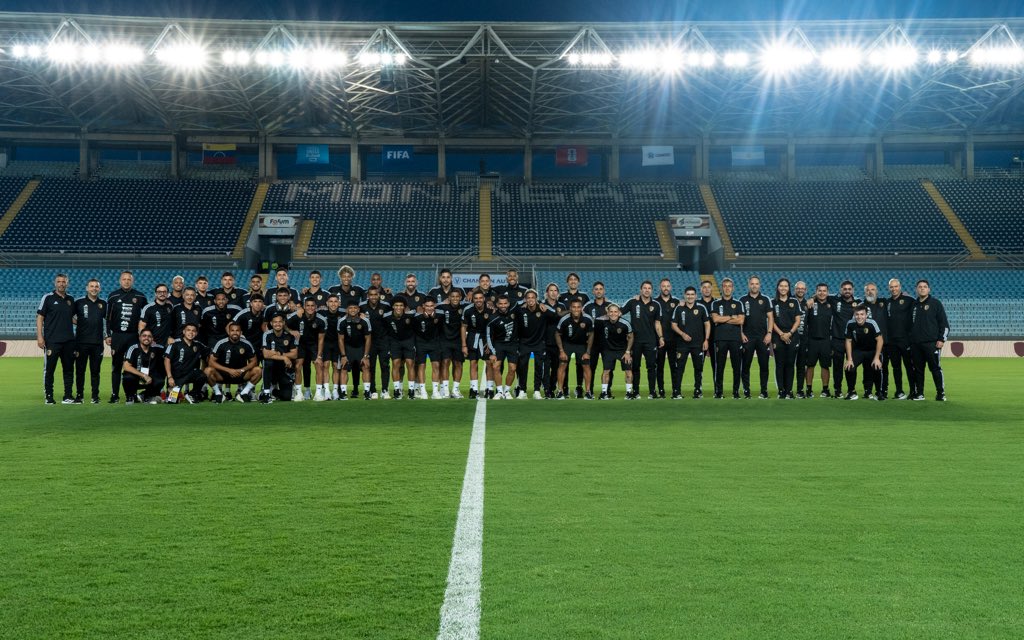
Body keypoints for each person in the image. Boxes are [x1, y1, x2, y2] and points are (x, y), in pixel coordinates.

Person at [106, 270, 148, 404]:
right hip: (117, 336)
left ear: (132, 281)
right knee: (116, 366)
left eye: (129, 279)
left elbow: (145, 317)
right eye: (124, 279)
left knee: (134, 366)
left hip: (133, 337)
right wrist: (108, 334)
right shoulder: (113, 296)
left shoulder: (140, 296)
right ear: (120, 281)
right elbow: (108, 318)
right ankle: (114, 395)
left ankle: (132, 394)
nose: (126, 281)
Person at [621, 281, 665, 399]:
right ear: (640, 290)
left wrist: (660, 337)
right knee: (635, 367)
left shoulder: (656, 305)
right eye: (644, 288)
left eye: (649, 288)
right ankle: (636, 392)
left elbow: (657, 323)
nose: (647, 290)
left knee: (651, 367)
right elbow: (618, 313)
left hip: (650, 341)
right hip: (635, 341)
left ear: (652, 290)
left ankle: (652, 392)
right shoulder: (632, 302)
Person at [37, 273, 77, 404]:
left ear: (67, 283)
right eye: (59, 281)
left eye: (64, 282)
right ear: (55, 283)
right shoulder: (47, 298)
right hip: (52, 341)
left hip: (69, 341)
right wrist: (39, 336)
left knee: (69, 369)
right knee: (49, 370)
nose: (61, 284)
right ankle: (49, 396)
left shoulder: (71, 299)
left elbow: (72, 318)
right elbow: (40, 317)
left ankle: (68, 396)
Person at [514, 289, 558, 399]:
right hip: (524, 343)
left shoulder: (542, 310)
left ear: (536, 299)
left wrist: (546, 308)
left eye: (532, 297)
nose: (530, 300)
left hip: (539, 343)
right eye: (528, 298)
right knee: (522, 367)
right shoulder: (520, 310)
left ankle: (536, 390)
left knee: (539, 367)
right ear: (525, 299)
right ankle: (522, 390)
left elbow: (556, 316)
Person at [910, 280, 949, 402]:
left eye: (925, 287)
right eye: (920, 287)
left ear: (929, 289)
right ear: (916, 289)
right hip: (916, 344)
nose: (922, 289)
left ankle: (940, 393)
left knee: (935, 368)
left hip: (931, 344)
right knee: (918, 370)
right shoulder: (913, 305)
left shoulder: (936, 303)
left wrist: (941, 339)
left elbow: (944, 324)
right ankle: (920, 393)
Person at [671, 286, 711, 399]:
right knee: (679, 369)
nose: (690, 296)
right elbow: (673, 325)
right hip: (682, 345)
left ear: (696, 296)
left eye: (692, 294)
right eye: (688, 294)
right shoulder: (679, 308)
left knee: (698, 368)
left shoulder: (701, 308)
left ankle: (698, 391)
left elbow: (707, 324)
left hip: (698, 344)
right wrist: (682, 334)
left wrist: (706, 340)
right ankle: (677, 392)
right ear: (684, 295)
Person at [206, 322, 261, 403]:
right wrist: (228, 370)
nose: (235, 333)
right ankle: (218, 394)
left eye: (237, 330)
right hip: (223, 375)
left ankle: (243, 393)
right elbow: (211, 362)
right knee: (207, 371)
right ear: (229, 332)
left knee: (258, 370)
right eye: (232, 330)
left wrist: (242, 370)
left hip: (241, 374)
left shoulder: (246, 344)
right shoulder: (221, 343)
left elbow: (254, 361)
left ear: (241, 332)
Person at [740, 275, 774, 399]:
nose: (754, 286)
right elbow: (739, 320)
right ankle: (746, 391)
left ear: (760, 285)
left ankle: (764, 391)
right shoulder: (742, 300)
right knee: (746, 366)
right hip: (747, 338)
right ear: (749, 285)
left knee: (764, 365)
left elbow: (770, 317)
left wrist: (769, 333)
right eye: (752, 284)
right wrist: (741, 333)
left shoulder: (765, 299)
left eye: (756, 284)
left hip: (762, 338)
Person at [710, 278, 744, 399]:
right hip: (720, 339)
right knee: (720, 367)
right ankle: (719, 392)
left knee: (736, 367)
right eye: (725, 286)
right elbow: (715, 319)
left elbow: (741, 320)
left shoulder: (738, 303)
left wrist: (723, 318)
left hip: (735, 339)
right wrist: (731, 316)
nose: (727, 288)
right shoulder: (716, 303)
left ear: (733, 288)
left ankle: (736, 392)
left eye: (730, 286)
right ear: (722, 288)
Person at [287, 298, 326, 401]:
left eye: (312, 306)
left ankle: (318, 393)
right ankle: (299, 393)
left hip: (314, 345)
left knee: (318, 365)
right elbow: (284, 324)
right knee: (298, 366)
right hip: (300, 344)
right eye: (308, 305)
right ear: (304, 307)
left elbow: (321, 339)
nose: (310, 308)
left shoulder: (321, 320)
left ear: (316, 307)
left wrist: (319, 356)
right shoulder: (298, 316)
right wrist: (291, 331)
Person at [74, 278, 106, 404]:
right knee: (80, 371)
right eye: (91, 286)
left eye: (96, 287)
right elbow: (69, 316)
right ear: (87, 288)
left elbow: (108, 321)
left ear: (99, 289)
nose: (94, 289)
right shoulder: (79, 302)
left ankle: (95, 396)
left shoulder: (103, 304)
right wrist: (80, 323)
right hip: (81, 343)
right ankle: (79, 395)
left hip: (97, 343)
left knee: (95, 371)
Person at [555, 299, 594, 399]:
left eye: (578, 307)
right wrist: (561, 351)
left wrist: (588, 352)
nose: (576, 309)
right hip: (567, 344)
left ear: (581, 308)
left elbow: (591, 335)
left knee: (586, 366)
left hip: (581, 345)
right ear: (570, 308)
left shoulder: (588, 319)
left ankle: (588, 392)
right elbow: (557, 334)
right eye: (574, 307)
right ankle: (559, 391)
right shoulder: (564, 319)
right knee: (562, 364)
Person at [771, 278, 803, 399]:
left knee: (790, 364)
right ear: (778, 288)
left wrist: (789, 333)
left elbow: (798, 320)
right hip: (778, 337)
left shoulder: (794, 302)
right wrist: (781, 334)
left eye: (786, 286)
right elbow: (771, 320)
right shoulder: (773, 302)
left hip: (792, 337)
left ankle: (789, 391)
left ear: (789, 288)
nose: (783, 288)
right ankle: (781, 391)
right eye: (781, 286)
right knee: (779, 364)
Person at [844, 306, 884, 401]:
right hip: (858, 350)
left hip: (872, 351)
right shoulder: (850, 324)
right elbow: (848, 341)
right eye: (857, 314)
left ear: (866, 315)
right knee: (849, 367)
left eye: (862, 314)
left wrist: (877, 358)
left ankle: (878, 393)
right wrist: (849, 359)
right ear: (854, 315)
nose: (859, 317)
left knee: (876, 367)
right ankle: (852, 392)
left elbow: (880, 340)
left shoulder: (872, 323)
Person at [885, 278, 916, 400]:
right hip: (892, 341)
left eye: (896, 286)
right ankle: (899, 391)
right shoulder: (887, 303)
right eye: (891, 287)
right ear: (889, 288)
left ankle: (913, 391)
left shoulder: (909, 300)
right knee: (896, 367)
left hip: (906, 340)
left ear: (900, 287)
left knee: (909, 367)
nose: (894, 289)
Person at [829, 280, 861, 399]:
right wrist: (812, 298)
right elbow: (820, 294)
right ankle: (837, 390)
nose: (847, 291)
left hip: (852, 341)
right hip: (837, 339)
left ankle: (851, 390)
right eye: (845, 289)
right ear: (841, 290)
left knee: (851, 366)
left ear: (853, 290)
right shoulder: (834, 300)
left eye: (849, 289)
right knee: (837, 367)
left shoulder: (858, 302)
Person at [803, 283, 835, 397]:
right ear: (816, 292)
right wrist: (812, 298)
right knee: (810, 365)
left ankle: (825, 389)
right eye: (819, 291)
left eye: (824, 291)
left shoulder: (832, 303)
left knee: (825, 366)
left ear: (827, 292)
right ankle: (809, 389)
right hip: (811, 340)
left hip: (826, 340)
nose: (822, 293)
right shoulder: (810, 304)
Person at [596, 304, 634, 400]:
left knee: (628, 371)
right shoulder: (601, 322)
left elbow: (631, 337)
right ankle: (604, 393)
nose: (613, 314)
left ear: (619, 313)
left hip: (622, 351)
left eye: (615, 312)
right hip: (608, 350)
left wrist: (628, 352)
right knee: (606, 371)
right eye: (611, 311)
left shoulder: (625, 323)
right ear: (608, 313)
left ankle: (629, 393)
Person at [486, 295, 521, 399]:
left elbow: (519, 301)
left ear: (508, 304)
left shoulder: (514, 312)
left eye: (505, 303)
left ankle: (507, 391)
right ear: (497, 305)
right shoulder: (493, 318)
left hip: (512, 344)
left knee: (512, 368)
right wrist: (492, 352)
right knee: (496, 367)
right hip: (499, 344)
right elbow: (488, 335)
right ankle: (500, 392)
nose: (503, 306)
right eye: (500, 304)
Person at [164, 323, 209, 404]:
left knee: (202, 375)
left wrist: (204, 367)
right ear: (184, 332)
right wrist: (170, 377)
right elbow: (167, 360)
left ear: (196, 333)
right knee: (172, 401)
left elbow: (211, 354)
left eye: (193, 331)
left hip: (190, 374)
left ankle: (192, 394)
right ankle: (173, 394)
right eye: (188, 330)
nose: (191, 333)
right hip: (176, 377)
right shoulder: (174, 343)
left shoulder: (198, 345)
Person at [360, 286, 393, 398]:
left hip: (384, 341)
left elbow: (390, 323)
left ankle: (384, 390)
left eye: (376, 294)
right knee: (371, 366)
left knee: (385, 366)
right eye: (371, 295)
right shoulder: (362, 307)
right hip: (370, 342)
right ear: (368, 296)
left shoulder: (386, 306)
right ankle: (373, 391)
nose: (373, 297)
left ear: (379, 295)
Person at [338, 300, 373, 400]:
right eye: (350, 308)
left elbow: (368, 339)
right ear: (347, 310)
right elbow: (340, 339)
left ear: (358, 309)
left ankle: (367, 392)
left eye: (355, 308)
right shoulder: (342, 321)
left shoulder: (365, 321)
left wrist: (365, 356)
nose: (353, 310)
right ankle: (343, 393)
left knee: (366, 367)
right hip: (348, 348)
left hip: (361, 348)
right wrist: (343, 356)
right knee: (344, 368)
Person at [461, 289, 493, 399]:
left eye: (480, 298)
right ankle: (473, 389)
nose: (478, 300)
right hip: (472, 337)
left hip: (486, 338)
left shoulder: (490, 310)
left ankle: (489, 389)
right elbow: (463, 327)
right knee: (473, 363)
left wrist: (490, 344)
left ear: (484, 299)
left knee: (489, 363)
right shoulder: (468, 310)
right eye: (476, 298)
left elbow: (493, 328)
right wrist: (464, 345)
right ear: (472, 299)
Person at [583, 281, 614, 396]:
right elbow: (583, 322)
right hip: (592, 342)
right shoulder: (588, 306)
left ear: (604, 291)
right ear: (593, 291)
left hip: (607, 343)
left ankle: (607, 391)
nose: (598, 291)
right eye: (596, 289)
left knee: (609, 368)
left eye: (601, 289)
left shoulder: (610, 306)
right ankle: (589, 390)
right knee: (591, 367)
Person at [260, 313, 298, 403]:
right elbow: (265, 354)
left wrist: (279, 353)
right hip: (271, 369)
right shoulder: (267, 334)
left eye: (280, 322)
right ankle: (266, 393)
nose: (278, 324)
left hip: (283, 369)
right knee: (268, 362)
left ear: (284, 323)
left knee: (287, 397)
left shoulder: (289, 336)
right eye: (275, 322)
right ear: (271, 323)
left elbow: (294, 354)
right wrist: (284, 358)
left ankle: (273, 392)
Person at [437, 288, 467, 399]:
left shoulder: (464, 308)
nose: (455, 298)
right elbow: (428, 305)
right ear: (449, 298)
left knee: (458, 364)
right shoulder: (441, 307)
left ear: (460, 298)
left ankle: (455, 390)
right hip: (445, 340)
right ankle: (445, 389)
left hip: (458, 341)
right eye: (452, 296)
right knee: (445, 363)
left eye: (457, 297)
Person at [121, 328, 165, 404]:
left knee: (160, 381)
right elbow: (126, 366)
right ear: (139, 337)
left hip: (150, 377)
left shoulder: (157, 348)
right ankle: (130, 396)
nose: (146, 338)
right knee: (127, 377)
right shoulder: (133, 348)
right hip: (136, 376)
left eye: (149, 336)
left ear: (152, 339)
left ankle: (145, 396)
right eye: (144, 336)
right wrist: (143, 375)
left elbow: (169, 354)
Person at [862, 283, 889, 399]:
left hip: (883, 343)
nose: (870, 292)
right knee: (867, 368)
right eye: (868, 290)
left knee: (882, 368)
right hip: (866, 344)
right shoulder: (861, 306)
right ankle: (868, 390)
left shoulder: (884, 303)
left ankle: (882, 390)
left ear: (877, 291)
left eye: (872, 289)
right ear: (865, 292)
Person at [654, 278, 680, 399]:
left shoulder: (677, 302)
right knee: (659, 367)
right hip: (659, 340)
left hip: (674, 340)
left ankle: (675, 390)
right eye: (663, 286)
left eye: (668, 286)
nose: (665, 288)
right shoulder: (654, 302)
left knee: (674, 367)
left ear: (671, 287)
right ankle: (661, 390)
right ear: (660, 287)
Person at [415, 298, 445, 399]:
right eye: (427, 306)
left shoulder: (440, 316)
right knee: (421, 366)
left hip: (434, 344)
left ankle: (435, 392)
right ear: (423, 306)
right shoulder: (417, 317)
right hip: (421, 344)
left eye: (431, 306)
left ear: (434, 306)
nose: (429, 308)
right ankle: (423, 391)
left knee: (436, 366)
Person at [541, 284, 566, 399]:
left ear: (558, 293)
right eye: (551, 290)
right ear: (547, 292)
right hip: (544, 341)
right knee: (545, 368)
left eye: (555, 290)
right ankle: (546, 390)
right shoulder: (541, 305)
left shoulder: (562, 305)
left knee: (557, 368)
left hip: (558, 343)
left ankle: (552, 388)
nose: (553, 292)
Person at [320, 294, 345, 399]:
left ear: (339, 303)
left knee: (336, 367)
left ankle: (335, 391)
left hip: (338, 344)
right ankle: (326, 391)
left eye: (335, 301)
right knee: (325, 366)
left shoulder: (343, 313)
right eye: (331, 301)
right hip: (325, 343)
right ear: (327, 303)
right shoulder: (321, 313)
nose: (333, 304)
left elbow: (355, 312)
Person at [792, 281, 810, 398]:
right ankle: (785, 389)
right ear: (795, 290)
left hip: (803, 340)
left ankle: (799, 390)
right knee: (788, 366)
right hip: (791, 339)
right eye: (798, 288)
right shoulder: (790, 302)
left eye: (802, 288)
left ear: (806, 290)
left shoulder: (808, 304)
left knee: (801, 366)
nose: (800, 290)